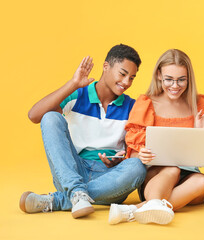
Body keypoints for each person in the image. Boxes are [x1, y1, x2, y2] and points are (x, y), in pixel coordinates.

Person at [19, 44, 147, 219]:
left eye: (132, 78)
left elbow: (131, 152)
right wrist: (73, 84)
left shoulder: (132, 106)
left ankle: (62, 199)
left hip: (109, 178)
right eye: (123, 74)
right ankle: (76, 191)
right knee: (50, 117)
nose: (126, 82)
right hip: (72, 170)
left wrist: (117, 161)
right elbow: (34, 115)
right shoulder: (78, 95)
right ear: (106, 66)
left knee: (137, 166)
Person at [108, 49, 204, 225]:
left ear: (189, 78)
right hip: (156, 177)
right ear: (159, 75)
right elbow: (132, 154)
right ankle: (144, 206)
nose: (175, 86)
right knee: (172, 169)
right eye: (169, 79)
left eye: (181, 80)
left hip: (189, 177)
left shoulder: (199, 104)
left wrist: (202, 132)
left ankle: (137, 209)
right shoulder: (147, 103)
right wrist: (142, 155)